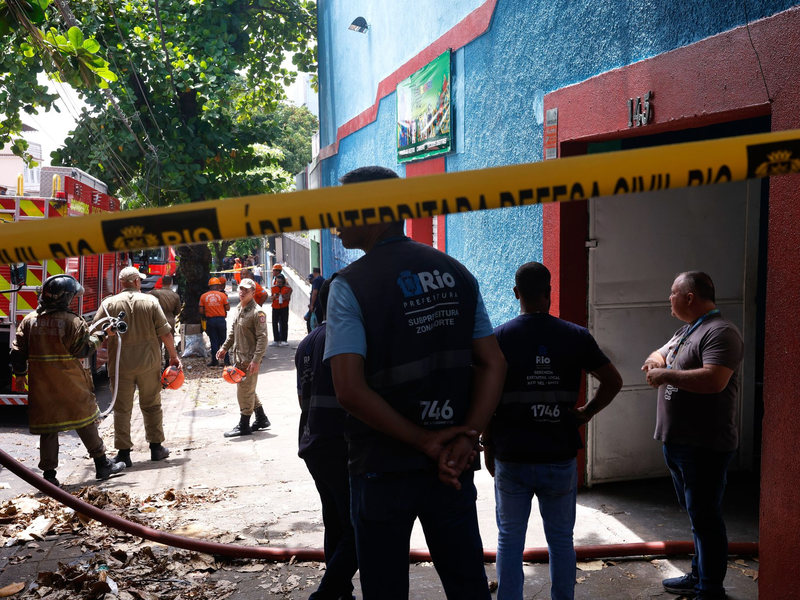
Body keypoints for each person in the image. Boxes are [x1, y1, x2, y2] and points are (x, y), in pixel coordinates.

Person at [325, 166, 507, 600]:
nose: (335, 222)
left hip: (382, 466)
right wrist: (467, 438)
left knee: (385, 588)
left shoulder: (350, 285)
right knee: (468, 584)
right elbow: (493, 363)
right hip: (453, 465)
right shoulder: (456, 273)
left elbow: (349, 390)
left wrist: (425, 441)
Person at [484, 262, 623, 600]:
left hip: (512, 455)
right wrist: (585, 413)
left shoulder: (500, 337)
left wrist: (489, 447)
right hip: (558, 454)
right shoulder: (575, 336)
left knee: (509, 539)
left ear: (516, 294)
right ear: (549, 293)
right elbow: (613, 381)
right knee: (561, 540)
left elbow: (485, 397)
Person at [641, 271, 743, 600]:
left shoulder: (721, 332)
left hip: (704, 445)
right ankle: (699, 576)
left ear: (689, 297)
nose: (668, 298)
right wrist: (656, 361)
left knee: (705, 517)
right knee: (696, 515)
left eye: (673, 293)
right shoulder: (689, 329)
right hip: (679, 442)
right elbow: (662, 351)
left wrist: (665, 374)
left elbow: (715, 380)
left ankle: (710, 589)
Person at [10, 275, 127, 487]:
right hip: (71, 384)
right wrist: (101, 335)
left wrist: (19, 374)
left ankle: (49, 477)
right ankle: (102, 465)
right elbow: (83, 349)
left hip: (42, 386)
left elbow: (17, 351)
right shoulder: (72, 321)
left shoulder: (29, 321)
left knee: (48, 428)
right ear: (64, 298)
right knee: (85, 421)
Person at [296, 277, 358, 600]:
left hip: (312, 445)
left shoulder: (307, 342)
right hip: (338, 445)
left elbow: (302, 399)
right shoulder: (345, 337)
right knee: (359, 528)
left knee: (335, 522)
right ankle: (326, 594)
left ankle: (340, 594)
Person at [92, 266, 181, 466]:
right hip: (148, 363)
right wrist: (173, 357)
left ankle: (124, 453)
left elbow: (96, 331)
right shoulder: (150, 301)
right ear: (137, 282)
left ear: (122, 283)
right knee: (151, 405)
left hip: (120, 365)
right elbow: (165, 333)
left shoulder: (109, 304)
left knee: (122, 409)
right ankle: (156, 448)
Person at [217, 278, 271, 437]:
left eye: (245, 290)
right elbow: (233, 333)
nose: (241, 292)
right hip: (238, 358)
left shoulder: (257, 312)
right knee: (248, 389)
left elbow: (263, 338)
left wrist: (256, 360)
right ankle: (261, 418)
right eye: (240, 289)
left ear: (253, 293)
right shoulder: (239, 308)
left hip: (249, 360)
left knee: (244, 392)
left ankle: (244, 425)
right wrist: (224, 348)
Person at [149, 275, 181, 369]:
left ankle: (157, 363)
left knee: (157, 342)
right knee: (169, 341)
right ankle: (168, 363)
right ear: (171, 283)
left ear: (162, 282)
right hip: (170, 319)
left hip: (157, 320)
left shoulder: (155, 293)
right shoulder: (175, 296)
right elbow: (177, 310)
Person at [200, 277, 230, 367]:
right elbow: (228, 308)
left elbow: (201, 311)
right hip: (221, 320)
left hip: (210, 320)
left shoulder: (203, 296)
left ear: (209, 286)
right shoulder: (223, 295)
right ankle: (227, 361)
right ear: (218, 286)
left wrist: (208, 310)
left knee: (214, 341)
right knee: (224, 341)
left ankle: (215, 361)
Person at [269, 273, 292, 347]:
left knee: (284, 322)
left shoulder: (288, 288)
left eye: (280, 282)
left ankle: (284, 339)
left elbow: (289, 298)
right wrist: (275, 296)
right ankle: (276, 339)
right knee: (274, 323)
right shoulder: (273, 288)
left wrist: (285, 296)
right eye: (277, 282)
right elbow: (271, 298)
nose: (278, 283)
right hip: (275, 307)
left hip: (284, 307)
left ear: (283, 281)